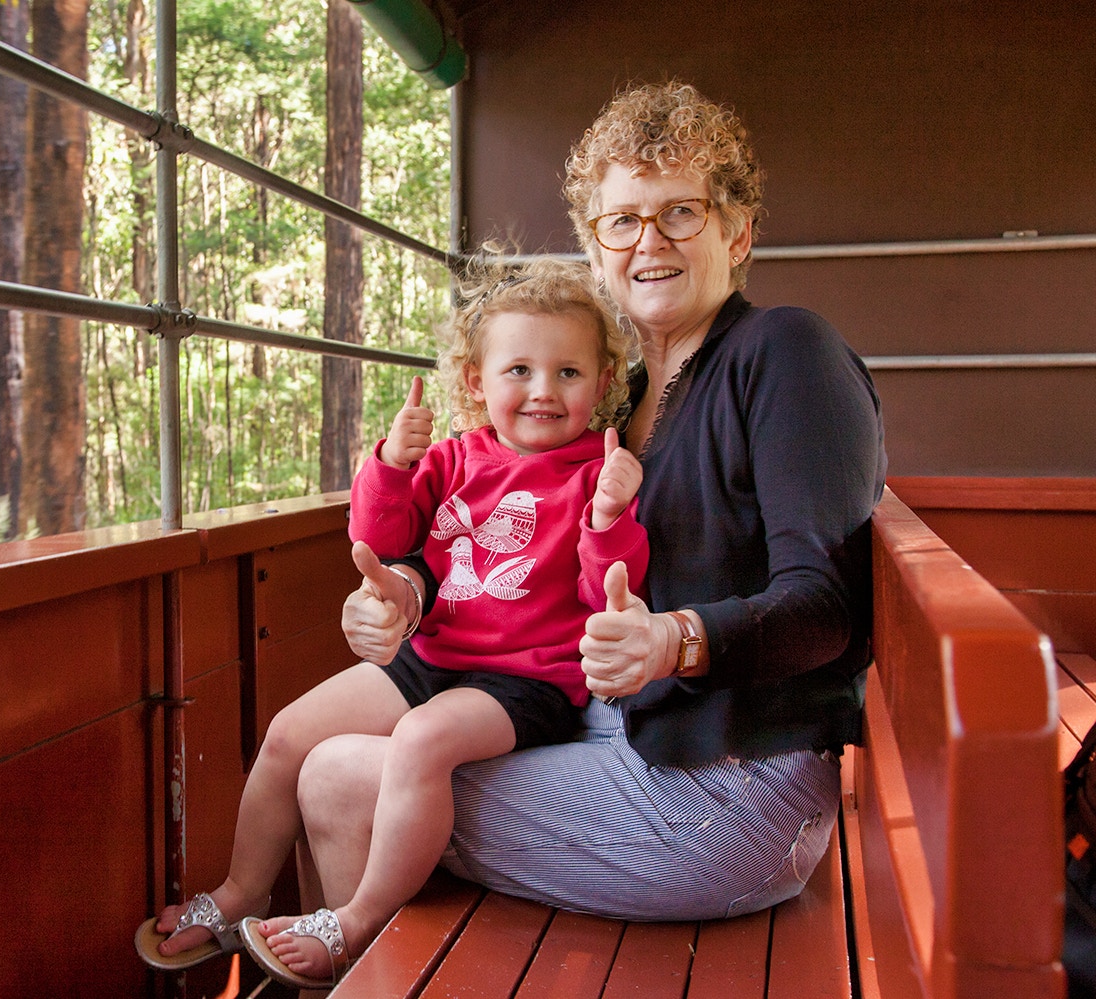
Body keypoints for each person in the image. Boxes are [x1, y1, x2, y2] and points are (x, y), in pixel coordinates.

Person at [253, 80, 886, 982]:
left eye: (680, 213)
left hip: (729, 787)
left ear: (737, 234)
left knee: (340, 776)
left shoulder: (784, 351)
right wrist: (403, 597)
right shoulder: (611, 405)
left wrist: (676, 638)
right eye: (622, 221)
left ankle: (361, 967)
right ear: (597, 247)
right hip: (619, 727)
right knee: (326, 745)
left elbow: (829, 604)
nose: (649, 241)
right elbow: (502, 556)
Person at [137, 258, 647, 989]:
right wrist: (390, 463)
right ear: (476, 380)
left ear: (601, 384)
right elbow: (380, 534)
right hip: (432, 657)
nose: (542, 390)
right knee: (288, 730)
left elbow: (607, 592)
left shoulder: (594, 474)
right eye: (519, 370)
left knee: (421, 741)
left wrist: (609, 518)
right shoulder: (452, 457)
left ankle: (359, 916)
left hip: (525, 682)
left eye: (568, 373)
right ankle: (242, 891)